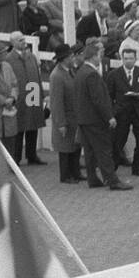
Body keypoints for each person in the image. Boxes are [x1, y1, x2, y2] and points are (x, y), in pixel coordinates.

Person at [74, 39, 130, 190]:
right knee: (104, 149)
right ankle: (112, 180)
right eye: (99, 55)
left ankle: (92, 178)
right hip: (95, 120)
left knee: (90, 150)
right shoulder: (91, 74)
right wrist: (109, 117)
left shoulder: (81, 72)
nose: (100, 58)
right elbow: (98, 99)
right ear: (93, 56)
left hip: (84, 118)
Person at [108, 43, 139, 176]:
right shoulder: (114, 74)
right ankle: (112, 169)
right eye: (126, 58)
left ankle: (136, 168)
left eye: (131, 58)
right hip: (122, 113)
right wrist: (112, 113)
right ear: (122, 59)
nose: (128, 61)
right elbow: (109, 96)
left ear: (135, 59)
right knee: (118, 142)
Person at [5, 33, 44, 164]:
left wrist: (41, 94)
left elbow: (38, 76)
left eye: (23, 39)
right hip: (19, 96)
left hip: (33, 93)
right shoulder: (8, 59)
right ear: (13, 43)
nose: (23, 41)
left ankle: (31, 155)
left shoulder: (31, 56)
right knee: (19, 128)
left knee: (33, 125)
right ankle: (16, 158)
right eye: (19, 40)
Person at [49, 44, 84, 183]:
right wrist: (61, 123)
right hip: (66, 116)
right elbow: (56, 102)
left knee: (75, 146)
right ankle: (65, 175)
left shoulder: (70, 71)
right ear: (64, 58)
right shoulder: (57, 75)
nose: (73, 59)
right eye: (71, 57)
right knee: (65, 147)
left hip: (74, 116)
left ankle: (76, 172)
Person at [0, 40, 18, 155]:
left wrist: (12, 98)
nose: (7, 54)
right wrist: (4, 101)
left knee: (10, 141)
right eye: (4, 52)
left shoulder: (7, 66)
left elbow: (15, 84)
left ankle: (11, 162)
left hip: (9, 111)